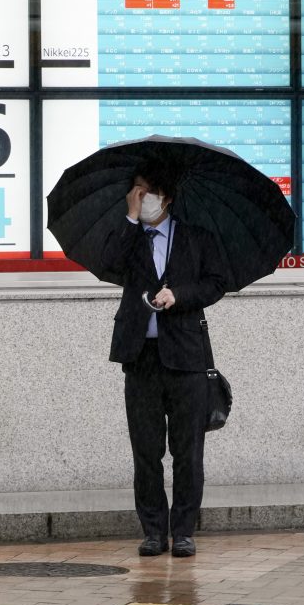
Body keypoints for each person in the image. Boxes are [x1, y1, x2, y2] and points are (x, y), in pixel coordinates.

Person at [100, 159, 228, 557]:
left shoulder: (195, 238)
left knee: (188, 450)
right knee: (146, 449)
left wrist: (180, 295)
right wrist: (131, 217)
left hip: (186, 357)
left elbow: (216, 283)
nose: (142, 198)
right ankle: (153, 530)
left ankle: (184, 530)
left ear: (167, 198)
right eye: (136, 190)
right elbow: (108, 265)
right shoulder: (128, 235)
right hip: (141, 357)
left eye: (148, 192)